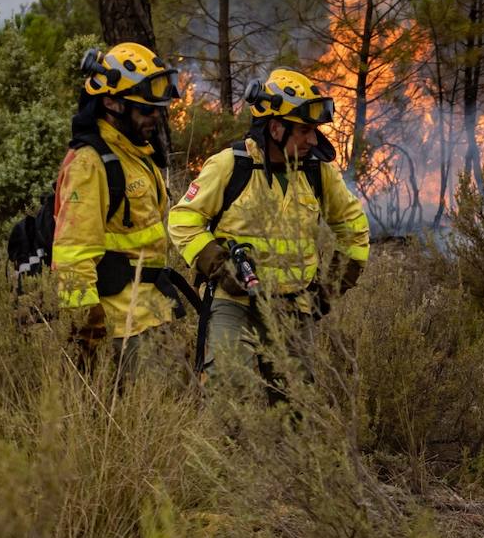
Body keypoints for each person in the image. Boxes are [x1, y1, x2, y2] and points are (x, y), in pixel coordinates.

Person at [168, 68, 369, 398]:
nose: (313, 140)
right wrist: (219, 264)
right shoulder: (231, 165)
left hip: (294, 308)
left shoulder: (319, 173)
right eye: (304, 130)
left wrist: (331, 287)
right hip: (235, 303)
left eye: (314, 131)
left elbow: (354, 228)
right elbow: (183, 220)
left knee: (296, 405)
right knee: (231, 390)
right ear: (275, 128)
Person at [52, 42, 192, 374]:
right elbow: (74, 255)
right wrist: (86, 340)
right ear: (112, 103)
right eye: (146, 110)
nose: (156, 117)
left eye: (158, 109)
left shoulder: (136, 155)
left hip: (153, 315)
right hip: (122, 330)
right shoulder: (89, 164)